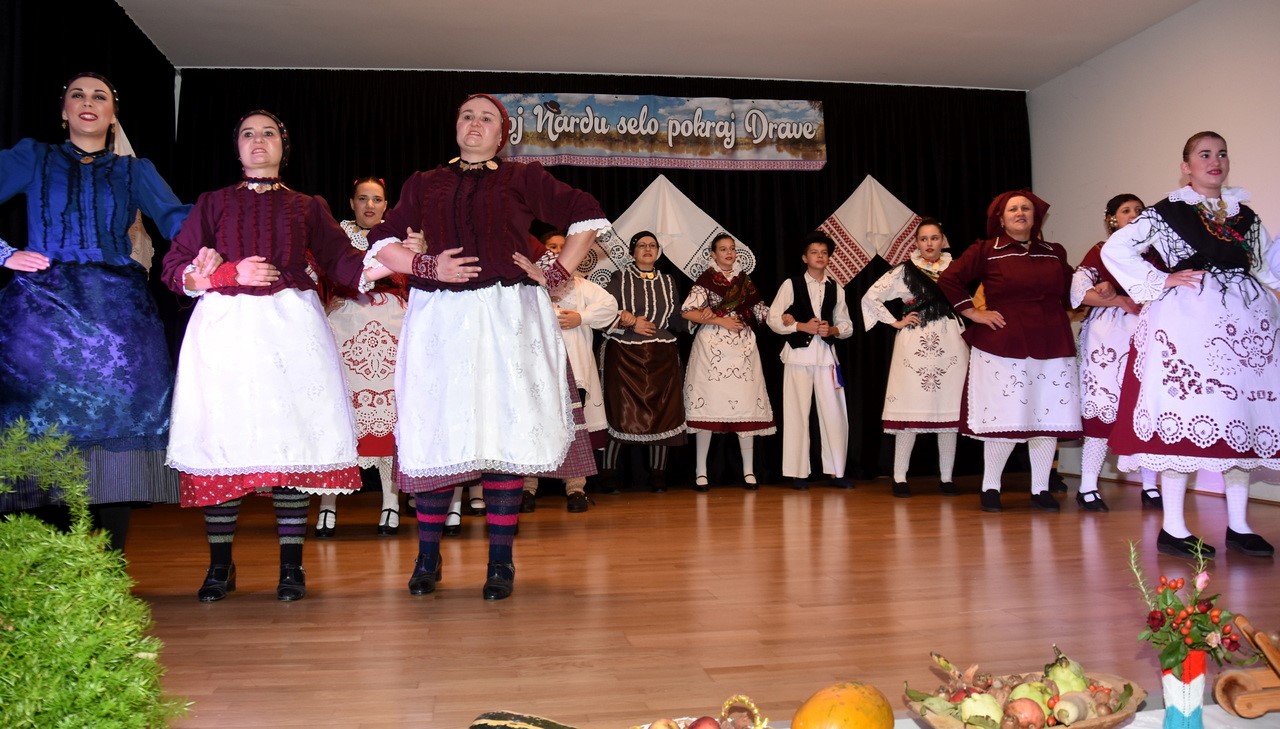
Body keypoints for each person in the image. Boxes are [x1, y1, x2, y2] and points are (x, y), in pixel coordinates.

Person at [370, 94, 609, 600]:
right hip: (442, 317)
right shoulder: (424, 182)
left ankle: (500, 559)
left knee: (505, 430)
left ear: (502, 134)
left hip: (507, 314)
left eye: (486, 118)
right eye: (466, 116)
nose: (474, 124)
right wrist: (427, 266)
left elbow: (585, 214)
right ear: (455, 126)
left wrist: (555, 272)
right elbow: (382, 241)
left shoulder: (522, 176)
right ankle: (427, 555)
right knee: (439, 430)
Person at [161, 110, 391, 602]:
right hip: (226, 331)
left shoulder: (306, 206)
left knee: (292, 440)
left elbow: (343, 261)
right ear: (237, 147)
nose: (258, 140)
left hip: (291, 330)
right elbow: (175, 265)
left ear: (284, 147)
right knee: (224, 440)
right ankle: (220, 566)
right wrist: (223, 275)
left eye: (268, 133)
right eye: (248, 133)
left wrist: (393, 258)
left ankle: (291, 566)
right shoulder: (213, 202)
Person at [0, 73, 191, 551]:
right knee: (45, 431)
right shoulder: (34, 157)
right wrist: (5, 254)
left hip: (117, 319)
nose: (88, 102)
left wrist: (231, 222)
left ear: (112, 114)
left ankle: (108, 567)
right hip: (42, 314)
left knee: (115, 436)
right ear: (63, 111)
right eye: (77, 95)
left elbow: (178, 221)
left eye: (100, 96)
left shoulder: (134, 171)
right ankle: (52, 566)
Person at [1103, 131, 1278, 558]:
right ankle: (1174, 527)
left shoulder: (1245, 216)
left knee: (1239, 416)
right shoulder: (1167, 212)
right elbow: (1116, 249)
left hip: (1245, 327)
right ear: (1186, 166)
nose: (1215, 161)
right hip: (1189, 325)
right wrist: (1161, 279)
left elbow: (1265, 266)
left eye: (1221, 154)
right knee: (1185, 416)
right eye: (1204, 154)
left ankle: (1238, 525)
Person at [937, 190, 1081, 512]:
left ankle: (1040, 489)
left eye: (1026, 208)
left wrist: (1108, 289)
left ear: (1035, 216)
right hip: (1004, 345)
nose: (1020, 213)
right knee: (1004, 418)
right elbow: (949, 279)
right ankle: (991, 486)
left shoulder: (1053, 252)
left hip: (1052, 341)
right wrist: (973, 312)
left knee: (1048, 417)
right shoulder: (987, 250)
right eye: (1013, 209)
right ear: (1001, 219)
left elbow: (1073, 291)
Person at [312, 176, 409, 538]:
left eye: (377, 199)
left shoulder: (398, 238)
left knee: (391, 416)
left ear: (386, 205)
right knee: (341, 414)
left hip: (393, 331)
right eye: (363, 198)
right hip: (346, 327)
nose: (370, 205)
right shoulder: (336, 235)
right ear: (352, 202)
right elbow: (318, 276)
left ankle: (390, 501)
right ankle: (328, 503)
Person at [860, 218, 967, 497]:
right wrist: (895, 321)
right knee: (909, 412)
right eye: (924, 239)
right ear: (916, 242)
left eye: (934, 238)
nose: (929, 243)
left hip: (951, 342)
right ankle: (899, 477)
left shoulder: (956, 268)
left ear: (943, 241)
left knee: (949, 412)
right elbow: (870, 297)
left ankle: (946, 478)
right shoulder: (904, 270)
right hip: (916, 342)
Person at [1071, 194, 1162, 513]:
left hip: (1149, 331)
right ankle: (1087, 486)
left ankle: (1150, 486)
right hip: (1108, 336)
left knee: (1146, 407)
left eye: (1139, 210)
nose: (1134, 215)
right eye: (1126, 211)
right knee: (1103, 408)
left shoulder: (1157, 253)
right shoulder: (1101, 251)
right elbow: (1079, 293)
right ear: (1112, 219)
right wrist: (1114, 298)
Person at [522, 230, 618, 513]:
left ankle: (576, 488)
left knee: (575, 430)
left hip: (575, 370)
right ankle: (528, 488)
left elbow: (610, 307)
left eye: (563, 248)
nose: (557, 252)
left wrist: (582, 317)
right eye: (551, 247)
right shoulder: (529, 286)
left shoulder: (581, 286)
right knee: (534, 426)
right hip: (537, 370)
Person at [681, 233, 775, 491]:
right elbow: (687, 311)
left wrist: (782, 318)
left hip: (742, 348)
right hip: (712, 349)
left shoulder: (745, 281)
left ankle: (749, 470)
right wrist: (719, 320)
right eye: (723, 249)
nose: (729, 253)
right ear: (713, 254)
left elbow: (761, 311)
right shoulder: (706, 280)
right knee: (709, 406)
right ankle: (701, 471)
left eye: (732, 249)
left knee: (745, 404)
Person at [599, 231, 689, 493]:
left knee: (662, 413)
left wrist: (703, 318)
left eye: (652, 245)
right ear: (632, 251)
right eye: (641, 245)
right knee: (620, 413)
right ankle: (609, 474)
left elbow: (675, 319)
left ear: (658, 251)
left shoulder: (668, 281)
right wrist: (629, 322)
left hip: (662, 355)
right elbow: (604, 312)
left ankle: (658, 475)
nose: (648, 249)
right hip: (625, 355)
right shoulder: (619, 278)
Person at [766, 231, 854, 489]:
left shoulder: (836, 288)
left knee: (834, 413)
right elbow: (773, 318)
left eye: (824, 253)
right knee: (796, 413)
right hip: (798, 356)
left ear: (829, 258)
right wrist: (799, 326)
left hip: (826, 357)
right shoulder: (791, 284)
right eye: (814, 252)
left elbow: (847, 325)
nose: (820, 256)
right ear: (805, 258)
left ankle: (837, 471)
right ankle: (798, 473)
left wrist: (833, 330)